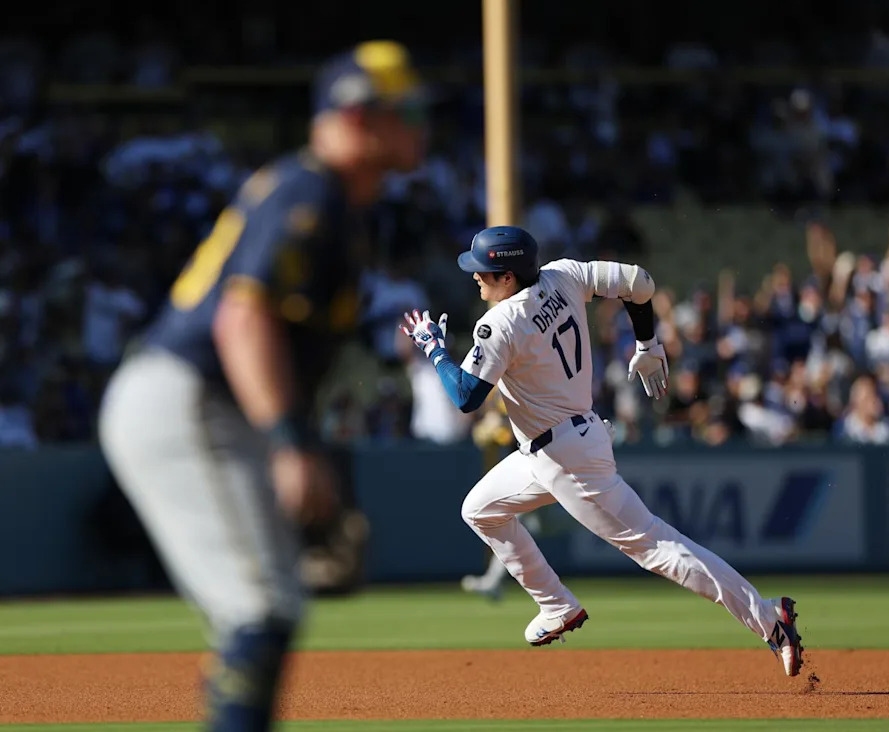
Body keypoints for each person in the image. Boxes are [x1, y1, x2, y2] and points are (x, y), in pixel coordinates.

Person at [99, 41, 427, 730]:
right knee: (261, 606)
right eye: (409, 111)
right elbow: (242, 316)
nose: (421, 126)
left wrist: (296, 443)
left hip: (205, 403)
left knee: (267, 607)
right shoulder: (312, 190)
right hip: (188, 397)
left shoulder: (333, 200)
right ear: (362, 118)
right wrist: (289, 445)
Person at [401, 225, 803, 677]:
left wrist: (433, 348)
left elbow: (467, 398)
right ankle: (556, 605)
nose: (475, 277)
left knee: (658, 547)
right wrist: (648, 343)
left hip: (566, 457)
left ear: (508, 277)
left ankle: (770, 619)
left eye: (484, 271)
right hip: (560, 443)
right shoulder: (563, 274)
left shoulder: (500, 323)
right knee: (480, 509)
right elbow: (641, 284)